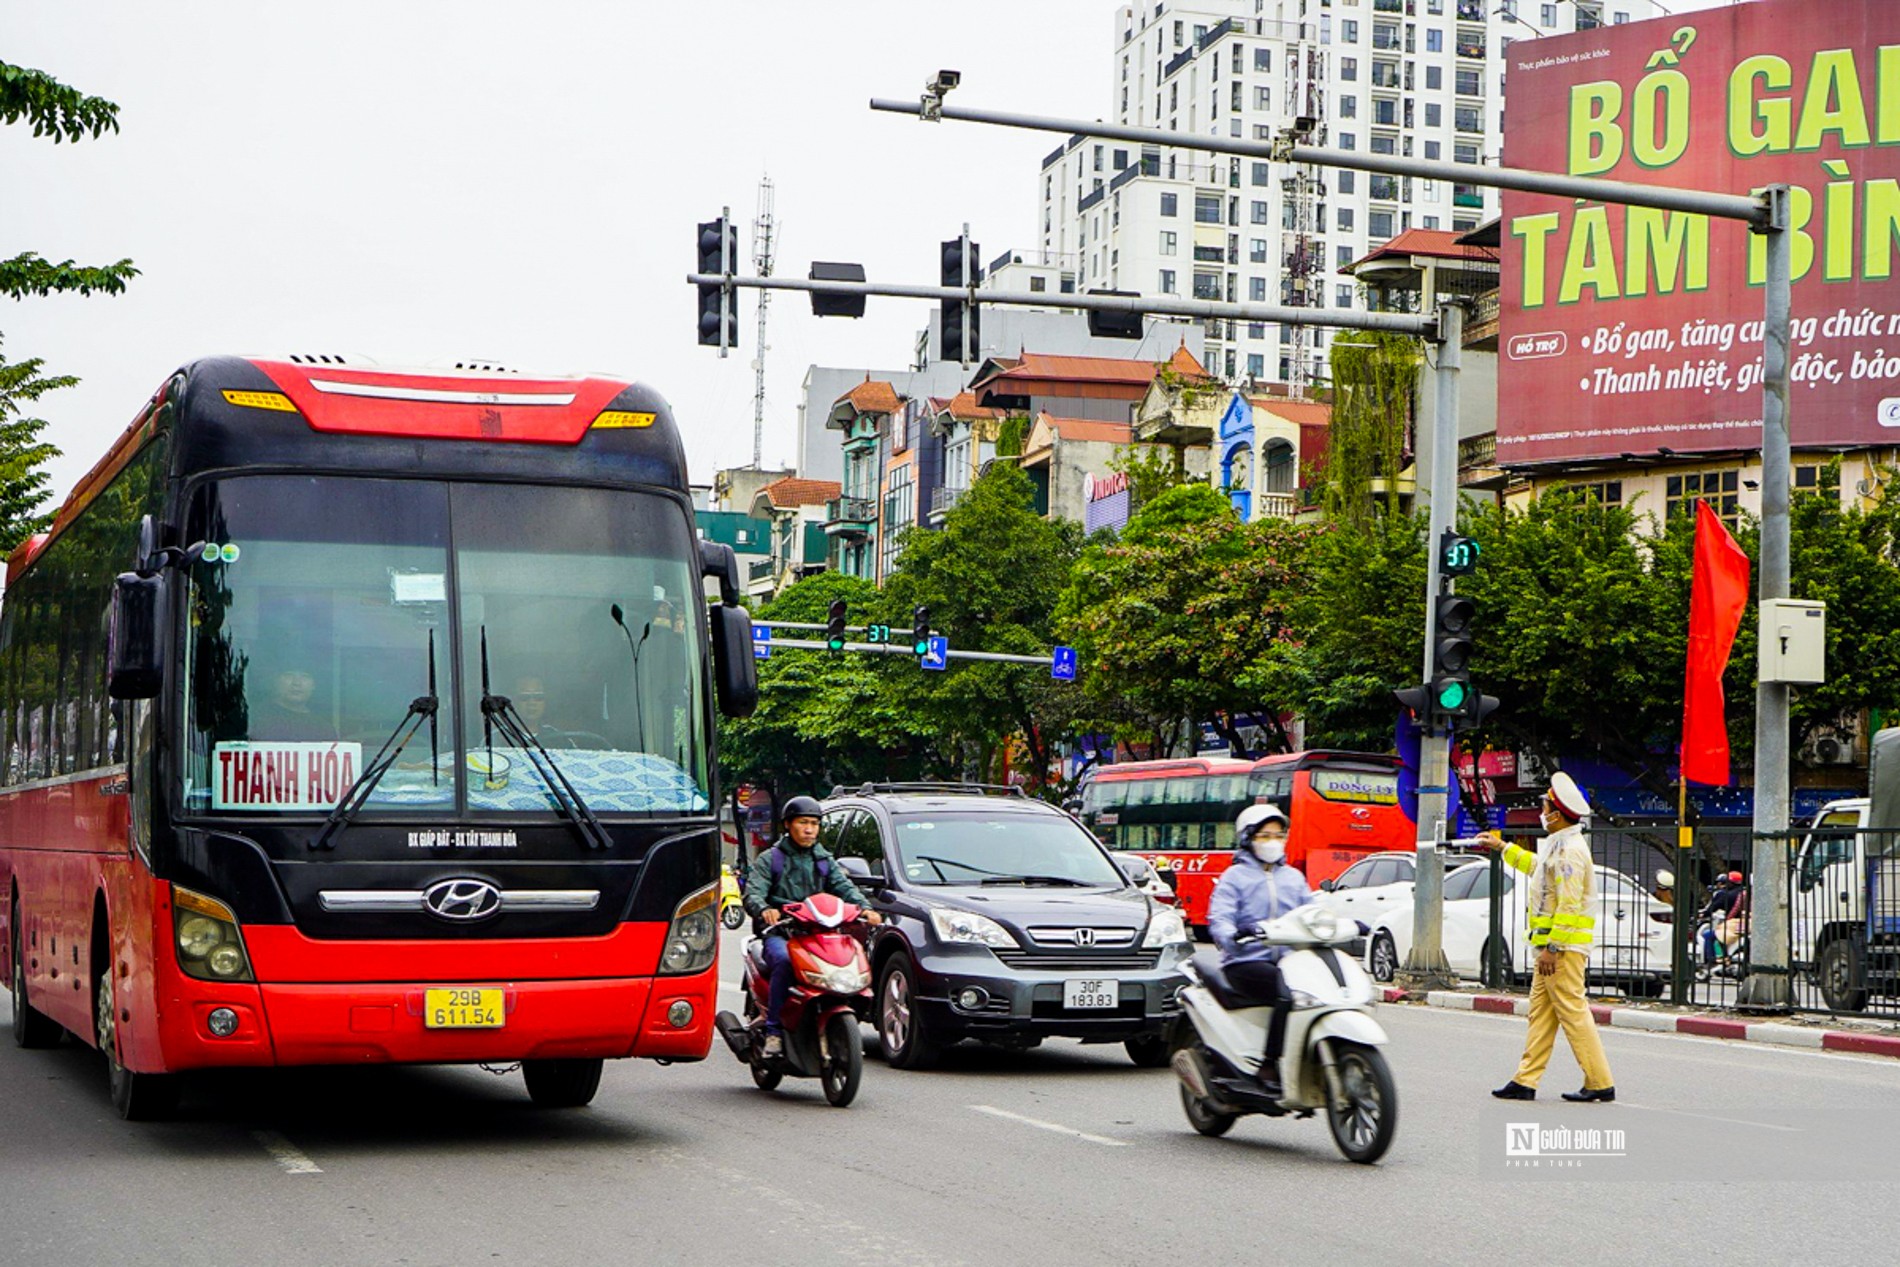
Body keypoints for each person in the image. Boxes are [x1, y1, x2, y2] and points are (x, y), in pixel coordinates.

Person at [1485, 772, 1616, 1103]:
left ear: (1557, 814)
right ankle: (1525, 1080)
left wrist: (1553, 948)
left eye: (1544, 805)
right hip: (1550, 949)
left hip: (1562, 951)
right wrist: (1503, 848)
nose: (1541, 810)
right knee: (1541, 1015)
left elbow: (1570, 906)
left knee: (1572, 1012)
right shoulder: (1558, 844)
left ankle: (1599, 1082)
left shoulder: (1570, 850)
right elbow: (1537, 867)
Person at [743, 796, 883, 1057]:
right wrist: (765, 910)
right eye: (803, 823)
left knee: (852, 954)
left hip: (820, 933)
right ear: (788, 825)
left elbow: (844, 888)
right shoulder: (770, 859)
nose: (809, 829)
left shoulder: (824, 860)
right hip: (783, 933)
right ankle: (773, 1031)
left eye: (815, 824)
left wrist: (865, 909)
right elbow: (753, 893)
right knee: (784, 961)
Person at [1206, 802, 1312, 1097]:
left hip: (1291, 960)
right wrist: (1233, 935)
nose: (1273, 843)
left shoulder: (1293, 877)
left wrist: (1345, 923)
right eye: (1264, 836)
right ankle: (1269, 1064)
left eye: (1278, 836)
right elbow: (1220, 918)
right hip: (1245, 961)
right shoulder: (1234, 878)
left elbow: (1312, 911)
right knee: (1285, 990)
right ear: (1247, 839)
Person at [248, 665, 334, 741]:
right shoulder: (254, 718)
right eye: (289, 675)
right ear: (276, 681)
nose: (297, 683)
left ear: (313, 685)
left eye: (305, 676)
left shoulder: (323, 728)